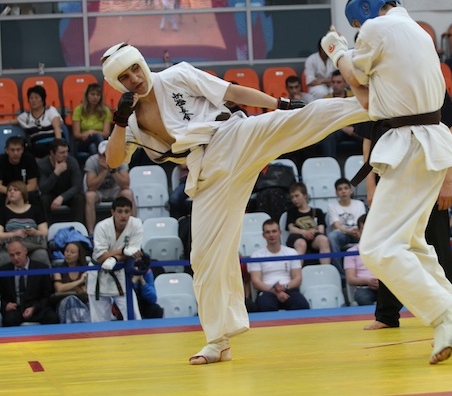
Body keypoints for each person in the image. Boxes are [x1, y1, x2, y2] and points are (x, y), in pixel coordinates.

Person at [100, 42, 368, 365]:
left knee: (297, 120)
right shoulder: (130, 122)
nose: (134, 78)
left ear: (142, 63)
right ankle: (218, 341)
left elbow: (230, 91)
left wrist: (278, 102)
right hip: (206, 173)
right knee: (202, 257)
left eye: (134, 69)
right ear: (117, 84)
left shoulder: (176, 75)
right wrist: (119, 120)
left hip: (231, 136)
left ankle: (371, 103)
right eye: (124, 77)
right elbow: (113, 159)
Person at [321, 0, 452, 364]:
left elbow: (355, 78)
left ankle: (442, 316)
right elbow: (371, 92)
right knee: (412, 242)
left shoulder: (377, 28)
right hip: (431, 145)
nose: (359, 31)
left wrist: (337, 50)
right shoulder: (419, 32)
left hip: (409, 145)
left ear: (364, 13)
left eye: (358, 25)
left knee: (376, 247)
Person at [356, 91, 452, 331]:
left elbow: (448, 131)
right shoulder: (380, 86)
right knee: (387, 243)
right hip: (391, 172)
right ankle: (387, 314)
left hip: (429, 170)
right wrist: (371, 185)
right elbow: (368, 137)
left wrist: (448, 180)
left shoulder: (429, 81)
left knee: (438, 245)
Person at [86, 196, 143, 322]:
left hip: (120, 274)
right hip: (99, 274)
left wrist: (114, 259)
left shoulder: (136, 224)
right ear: (112, 212)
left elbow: (134, 252)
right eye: (120, 211)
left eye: (127, 211)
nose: (123, 215)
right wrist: (122, 251)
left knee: (134, 317)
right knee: (99, 323)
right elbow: (101, 257)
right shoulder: (102, 226)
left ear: (131, 212)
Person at [247, 219, 309, 312]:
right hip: (267, 291)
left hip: (288, 288)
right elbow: (256, 282)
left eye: (274, 231)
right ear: (263, 235)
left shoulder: (291, 252)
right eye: (268, 232)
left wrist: (284, 287)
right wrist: (274, 291)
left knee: (301, 304)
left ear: (280, 233)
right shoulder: (256, 255)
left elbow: (298, 278)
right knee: (265, 306)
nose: (271, 235)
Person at [0, 239, 58, 326]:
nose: (15, 258)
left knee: (52, 317)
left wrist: (34, 308)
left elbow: (48, 296)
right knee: (9, 320)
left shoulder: (41, 268)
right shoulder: (4, 270)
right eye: (12, 255)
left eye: (18, 253)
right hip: (15, 310)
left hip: (36, 308)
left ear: (25, 251)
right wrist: (5, 305)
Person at [84, 140, 134, 235]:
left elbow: (126, 184)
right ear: (99, 155)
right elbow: (91, 187)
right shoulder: (92, 161)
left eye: (109, 154)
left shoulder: (121, 160)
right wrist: (104, 170)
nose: (107, 157)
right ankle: (91, 232)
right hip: (99, 191)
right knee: (89, 196)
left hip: (115, 190)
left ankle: (132, 229)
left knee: (128, 193)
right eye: (104, 155)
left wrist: (113, 170)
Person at [0, 180, 49, 267]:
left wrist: (34, 232)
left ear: (22, 193)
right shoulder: (2, 211)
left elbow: (45, 232)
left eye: (15, 190)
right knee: (4, 257)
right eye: (9, 190)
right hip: (11, 246)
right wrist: (14, 233)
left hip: (32, 245)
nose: (11, 192)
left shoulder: (35, 209)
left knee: (41, 255)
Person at [37, 138, 85, 224]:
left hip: (68, 194)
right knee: (43, 199)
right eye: (62, 153)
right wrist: (56, 173)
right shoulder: (42, 164)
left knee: (79, 198)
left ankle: (78, 227)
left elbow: (77, 186)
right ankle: (47, 228)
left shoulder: (72, 162)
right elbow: (43, 188)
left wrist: (62, 197)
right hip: (51, 194)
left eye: (66, 152)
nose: (65, 155)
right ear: (52, 153)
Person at [285, 182, 331, 266]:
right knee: (301, 244)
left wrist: (312, 232)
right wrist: (304, 232)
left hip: (314, 237)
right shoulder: (291, 211)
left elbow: (321, 229)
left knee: (324, 240)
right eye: (292, 197)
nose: (294, 199)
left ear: (305, 195)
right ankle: (297, 270)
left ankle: (326, 268)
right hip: (297, 238)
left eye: (297, 196)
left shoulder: (317, 211)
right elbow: (291, 228)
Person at [15, 85, 63, 158]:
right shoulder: (25, 116)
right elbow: (11, 121)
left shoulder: (50, 110)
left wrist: (58, 146)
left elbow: (57, 127)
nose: (33, 100)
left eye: (36, 98)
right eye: (31, 98)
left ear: (43, 99)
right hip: (38, 147)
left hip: (53, 144)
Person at [344, 213, 378, 306]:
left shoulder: (385, 250)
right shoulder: (351, 252)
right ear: (358, 231)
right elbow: (350, 279)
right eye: (364, 228)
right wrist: (368, 281)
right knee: (363, 298)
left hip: (385, 286)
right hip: (364, 287)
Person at [51, 241, 90, 323]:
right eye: (67, 251)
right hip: (63, 303)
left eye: (72, 252)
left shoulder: (85, 270)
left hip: (83, 303)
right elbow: (59, 288)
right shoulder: (58, 270)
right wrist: (80, 281)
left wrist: (68, 287)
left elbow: (85, 291)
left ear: (79, 255)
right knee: (71, 299)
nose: (68, 254)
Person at [327, 177, 367, 256]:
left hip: (358, 232)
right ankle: (337, 264)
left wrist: (358, 232)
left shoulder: (359, 204)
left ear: (351, 190)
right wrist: (349, 232)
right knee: (332, 237)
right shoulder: (331, 206)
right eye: (340, 189)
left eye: (346, 188)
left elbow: (361, 222)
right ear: (336, 193)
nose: (343, 191)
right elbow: (336, 225)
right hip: (343, 234)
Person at [72, 83, 112, 157]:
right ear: (87, 95)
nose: (95, 97)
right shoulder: (78, 110)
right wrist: (87, 134)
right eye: (92, 94)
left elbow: (106, 133)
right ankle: (105, 158)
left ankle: (97, 162)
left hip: (99, 141)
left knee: (93, 146)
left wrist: (92, 132)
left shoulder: (105, 111)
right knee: (97, 137)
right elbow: (76, 134)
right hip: (83, 142)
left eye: (98, 95)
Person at [0, 136, 40, 206]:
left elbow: (32, 185)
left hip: (25, 191)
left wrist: (17, 193)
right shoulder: (1, 160)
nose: (15, 153)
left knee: (34, 197)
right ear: (7, 150)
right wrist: (11, 193)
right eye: (12, 150)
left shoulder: (29, 159)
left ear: (22, 150)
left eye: (18, 150)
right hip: (6, 192)